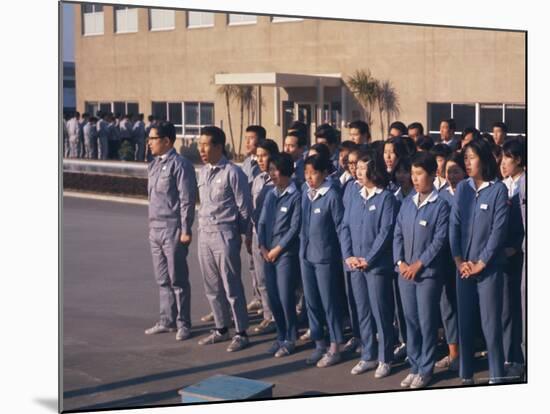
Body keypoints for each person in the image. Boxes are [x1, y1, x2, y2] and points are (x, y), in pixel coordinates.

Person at [450, 138, 509, 384]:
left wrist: (481, 263)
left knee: (490, 326)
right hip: (463, 269)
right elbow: (454, 225)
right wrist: (459, 261)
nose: (467, 162)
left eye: (471, 157)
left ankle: (496, 375)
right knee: (465, 325)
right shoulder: (463, 188)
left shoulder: (498, 190)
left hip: (488, 270)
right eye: (465, 158)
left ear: (484, 160)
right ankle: (467, 375)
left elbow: (498, 231)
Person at [393, 152, 450, 388]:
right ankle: (414, 365)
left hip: (427, 275)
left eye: (420, 174)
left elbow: (439, 240)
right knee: (411, 321)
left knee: (427, 322)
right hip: (405, 274)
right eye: (412, 174)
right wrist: (401, 262)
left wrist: (419, 263)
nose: (415, 179)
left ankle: (426, 368)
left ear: (432, 175)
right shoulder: (407, 202)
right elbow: (397, 234)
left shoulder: (441, 205)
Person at [340, 150, 397, 378]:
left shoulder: (386, 198)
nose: (358, 172)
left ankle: (385, 357)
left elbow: (386, 232)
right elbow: (344, 226)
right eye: (358, 169)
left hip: (376, 266)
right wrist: (349, 255)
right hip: (355, 264)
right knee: (362, 311)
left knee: (381, 312)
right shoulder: (354, 194)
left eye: (363, 169)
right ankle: (368, 355)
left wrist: (368, 259)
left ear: (374, 171)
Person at [196, 126, 252, 352]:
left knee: (231, 285)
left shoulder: (233, 173)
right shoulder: (203, 172)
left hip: (225, 234)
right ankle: (221, 328)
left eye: (206, 144)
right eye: (200, 144)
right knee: (211, 285)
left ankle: (241, 332)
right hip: (204, 234)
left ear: (219, 146)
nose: (201, 149)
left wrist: (240, 235)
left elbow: (245, 208)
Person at [144, 121, 197, 341]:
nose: (149, 143)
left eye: (153, 139)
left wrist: (186, 229)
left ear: (166, 141)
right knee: (162, 278)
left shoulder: (181, 165)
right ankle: (167, 320)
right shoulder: (153, 165)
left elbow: (186, 200)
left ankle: (183, 323)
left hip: (172, 228)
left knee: (178, 279)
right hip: (154, 228)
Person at [300, 154, 345, 367]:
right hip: (306, 255)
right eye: (306, 173)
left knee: (330, 303)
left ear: (325, 173)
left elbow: (340, 228)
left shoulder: (332, 195)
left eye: (314, 173)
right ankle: (319, 343)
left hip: (326, 257)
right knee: (311, 301)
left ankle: (336, 345)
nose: (309, 177)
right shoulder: (305, 192)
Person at [258, 153, 302, 357]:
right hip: (267, 253)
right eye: (271, 170)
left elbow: (294, 228)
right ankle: (280, 335)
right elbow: (262, 222)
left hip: (285, 254)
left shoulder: (296, 195)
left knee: (286, 297)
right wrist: (262, 246)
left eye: (276, 170)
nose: (272, 174)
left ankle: (291, 338)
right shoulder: (270, 194)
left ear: (286, 171)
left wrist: (278, 249)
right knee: (273, 297)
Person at [435, 152, 466, 372]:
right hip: (445, 260)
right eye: (448, 172)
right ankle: (453, 353)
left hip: (467, 259)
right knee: (447, 307)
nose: (452, 175)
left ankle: (469, 352)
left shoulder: (470, 193)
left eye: (456, 171)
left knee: (465, 307)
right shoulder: (440, 196)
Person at [500, 138, 526, 379]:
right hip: (503, 258)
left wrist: (517, 247)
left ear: (518, 159)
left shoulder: (526, 185)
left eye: (508, 157)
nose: (503, 162)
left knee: (520, 310)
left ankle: (520, 359)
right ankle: (511, 356)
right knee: (506, 310)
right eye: (502, 156)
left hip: (519, 256)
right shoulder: (503, 185)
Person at [249, 139, 279, 335]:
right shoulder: (257, 179)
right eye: (257, 155)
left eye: (264, 155)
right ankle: (269, 316)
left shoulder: (279, 180)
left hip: (274, 237)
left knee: (277, 281)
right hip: (256, 235)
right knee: (261, 279)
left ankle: (280, 317)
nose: (260, 159)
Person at [240, 125, 264, 317]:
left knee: (263, 267)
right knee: (251, 263)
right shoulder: (247, 163)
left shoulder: (266, 164)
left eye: (251, 138)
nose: (247, 142)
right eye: (246, 138)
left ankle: (267, 306)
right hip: (248, 217)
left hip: (260, 219)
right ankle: (257, 297)